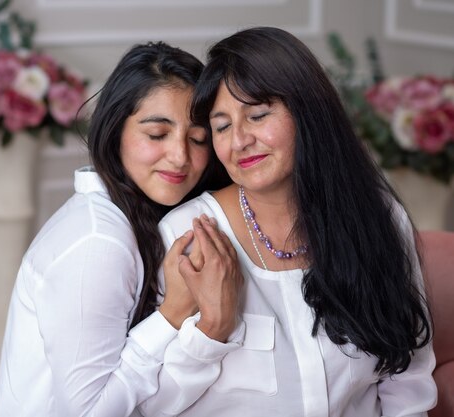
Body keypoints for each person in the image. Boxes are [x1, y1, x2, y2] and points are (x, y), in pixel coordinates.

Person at [138, 27, 437, 416]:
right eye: (222, 126)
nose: (240, 139)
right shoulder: (188, 236)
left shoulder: (377, 217)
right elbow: (149, 406)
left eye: (258, 115)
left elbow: (406, 377)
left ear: (308, 112)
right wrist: (211, 329)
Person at [0, 41, 233, 417]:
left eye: (197, 139)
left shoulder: (141, 222)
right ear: (116, 130)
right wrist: (173, 314)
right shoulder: (98, 242)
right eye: (156, 134)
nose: (181, 156)